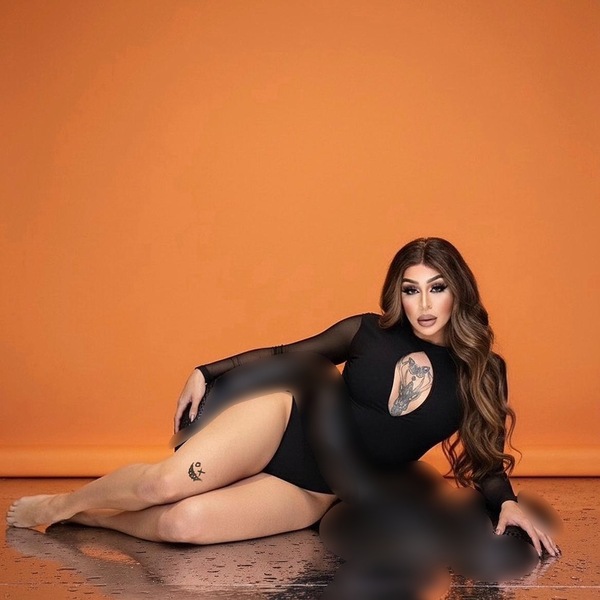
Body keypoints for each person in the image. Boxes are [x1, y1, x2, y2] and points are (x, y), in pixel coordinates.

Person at [6, 238, 559, 563]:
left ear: (458, 290)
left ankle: (93, 519)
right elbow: (285, 353)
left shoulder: (483, 372)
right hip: (281, 424)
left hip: (316, 489)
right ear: (398, 293)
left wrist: (505, 502)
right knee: (162, 485)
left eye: (437, 287)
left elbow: (486, 453)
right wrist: (206, 370)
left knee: (183, 526)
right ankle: (63, 504)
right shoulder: (368, 331)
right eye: (411, 290)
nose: (424, 304)